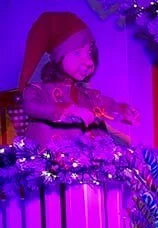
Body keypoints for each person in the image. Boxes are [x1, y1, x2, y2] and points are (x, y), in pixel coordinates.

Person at [18, 11, 139, 146]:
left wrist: (122, 111)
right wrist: (66, 110)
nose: (89, 62)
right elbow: (30, 106)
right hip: (51, 157)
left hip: (90, 158)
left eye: (89, 52)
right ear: (57, 57)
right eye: (77, 53)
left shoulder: (85, 95)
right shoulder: (39, 90)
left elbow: (106, 104)